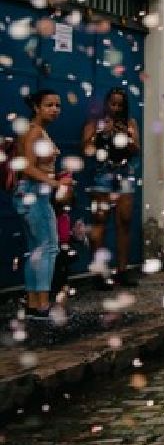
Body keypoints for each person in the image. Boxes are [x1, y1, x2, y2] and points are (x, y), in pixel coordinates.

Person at [14, 89, 70, 319]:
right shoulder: (35, 132)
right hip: (35, 193)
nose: (55, 109)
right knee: (48, 248)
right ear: (36, 108)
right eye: (49, 105)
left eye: (57, 105)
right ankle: (43, 304)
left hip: (29, 194)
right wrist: (55, 183)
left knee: (36, 250)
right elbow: (26, 167)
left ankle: (33, 303)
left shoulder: (33, 130)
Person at [81, 86, 140, 289]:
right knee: (100, 222)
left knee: (124, 222)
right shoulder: (95, 123)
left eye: (120, 105)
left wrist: (127, 137)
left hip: (125, 175)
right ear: (107, 104)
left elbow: (136, 149)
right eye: (112, 103)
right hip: (103, 176)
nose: (115, 108)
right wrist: (99, 134)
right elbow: (86, 149)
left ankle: (122, 271)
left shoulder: (130, 123)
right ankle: (100, 273)